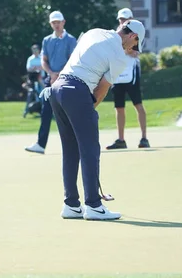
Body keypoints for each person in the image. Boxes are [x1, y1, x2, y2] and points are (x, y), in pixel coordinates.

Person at [47, 19, 145, 220]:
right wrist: (85, 111)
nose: (131, 48)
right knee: (90, 148)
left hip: (56, 90)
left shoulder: (94, 32)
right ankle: (93, 205)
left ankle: (71, 205)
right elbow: (101, 90)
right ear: (133, 36)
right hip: (76, 90)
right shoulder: (119, 56)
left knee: (71, 149)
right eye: (134, 44)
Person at [25, 11, 77, 154]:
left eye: (58, 22)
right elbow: (44, 60)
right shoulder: (47, 40)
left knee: (69, 113)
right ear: (50, 24)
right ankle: (41, 144)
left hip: (67, 80)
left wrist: (59, 74)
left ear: (63, 22)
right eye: (53, 22)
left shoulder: (71, 40)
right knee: (46, 111)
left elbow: (72, 61)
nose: (56, 25)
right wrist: (51, 73)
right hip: (50, 79)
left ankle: (77, 143)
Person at [107, 8, 150, 149]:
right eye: (120, 19)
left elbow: (132, 51)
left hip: (131, 74)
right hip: (118, 75)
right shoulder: (116, 34)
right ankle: (121, 139)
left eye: (125, 18)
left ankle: (144, 138)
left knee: (138, 104)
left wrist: (121, 48)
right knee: (119, 107)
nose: (122, 21)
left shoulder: (137, 33)